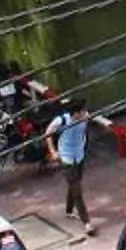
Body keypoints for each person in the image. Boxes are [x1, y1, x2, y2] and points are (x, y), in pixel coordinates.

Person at [46, 100, 93, 235]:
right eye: (83, 111)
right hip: (66, 158)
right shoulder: (61, 121)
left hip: (79, 155)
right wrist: (53, 151)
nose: (85, 113)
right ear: (76, 113)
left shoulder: (85, 118)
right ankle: (87, 223)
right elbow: (48, 133)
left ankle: (68, 210)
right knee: (77, 191)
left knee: (74, 183)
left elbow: (85, 132)